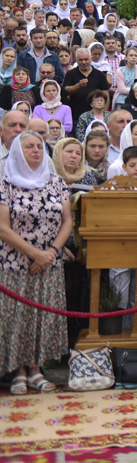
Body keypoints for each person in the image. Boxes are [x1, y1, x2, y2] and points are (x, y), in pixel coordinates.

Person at [0, 133, 72, 394]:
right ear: (17, 151)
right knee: (18, 317)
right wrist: (34, 254)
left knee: (42, 316)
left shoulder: (55, 182)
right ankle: (18, 370)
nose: (35, 150)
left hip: (50, 263)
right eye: (28, 146)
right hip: (15, 263)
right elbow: (2, 227)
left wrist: (50, 253)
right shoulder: (5, 183)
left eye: (39, 146)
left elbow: (67, 221)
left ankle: (35, 368)